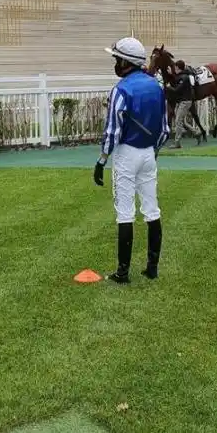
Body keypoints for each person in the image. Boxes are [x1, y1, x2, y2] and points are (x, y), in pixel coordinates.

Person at [94, 37, 170, 284]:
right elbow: (165, 129)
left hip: (126, 154)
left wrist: (102, 160)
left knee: (125, 212)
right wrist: (153, 151)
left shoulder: (121, 89)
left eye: (117, 59)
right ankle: (152, 267)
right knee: (152, 209)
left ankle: (123, 272)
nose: (116, 64)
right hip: (149, 153)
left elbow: (112, 132)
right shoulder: (157, 86)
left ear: (126, 63)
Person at [169, 59, 201, 148]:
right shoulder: (182, 76)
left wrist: (169, 87)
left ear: (178, 68)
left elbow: (177, 90)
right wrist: (171, 74)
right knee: (181, 121)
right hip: (183, 101)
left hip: (185, 102)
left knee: (178, 121)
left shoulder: (184, 77)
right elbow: (177, 79)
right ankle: (196, 133)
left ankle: (177, 143)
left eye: (175, 68)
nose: (174, 69)